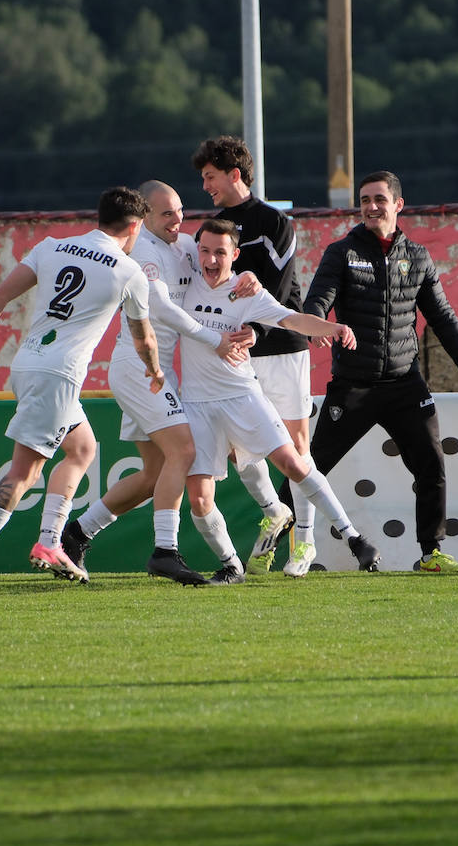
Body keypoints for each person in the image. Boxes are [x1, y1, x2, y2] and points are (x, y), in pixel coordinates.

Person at [0, 187, 163, 596]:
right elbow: (144, 338)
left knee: (82, 449)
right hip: (59, 375)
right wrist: (155, 370)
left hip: (26, 364)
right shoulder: (129, 271)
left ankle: (51, 540)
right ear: (133, 227)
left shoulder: (52, 246)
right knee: (24, 472)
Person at [60, 180, 253, 586]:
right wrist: (214, 339)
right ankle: (165, 551)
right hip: (140, 368)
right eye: (167, 213)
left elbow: (216, 267)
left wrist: (246, 277)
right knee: (183, 451)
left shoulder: (183, 244)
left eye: (180, 210)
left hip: (156, 370)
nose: (177, 219)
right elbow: (161, 308)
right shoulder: (143, 252)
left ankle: (75, 535)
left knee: (154, 474)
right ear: (144, 216)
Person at [303, 170, 458, 573]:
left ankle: (430, 554)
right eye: (365, 200)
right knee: (305, 467)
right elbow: (317, 299)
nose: (371, 207)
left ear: (398, 205)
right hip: (353, 385)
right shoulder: (341, 252)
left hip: (405, 385)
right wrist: (317, 325)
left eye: (379, 199)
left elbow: (442, 318)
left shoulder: (418, 256)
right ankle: (272, 543)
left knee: (432, 465)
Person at [179, 218, 381, 584]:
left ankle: (353, 538)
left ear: (235, 255)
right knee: (199, 498)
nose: (210, 260)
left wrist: (334, 328)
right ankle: (232, 566)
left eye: (220, 253)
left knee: (291, 461)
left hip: (242, 395)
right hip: (195, 404)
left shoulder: (246, 292)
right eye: (204, 251)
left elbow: (292, 320)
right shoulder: (184, 277)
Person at [192, 135, 315, 577]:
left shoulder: (274, 222)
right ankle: (274, 510)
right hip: (234, 355)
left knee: (296, 446)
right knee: (240, 450)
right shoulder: (211, 231)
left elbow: (281, 292)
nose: (205, 186)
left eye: (210, 177)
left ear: (234, 174)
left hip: (280, 348)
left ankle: (305, 544)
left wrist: (255, 329)